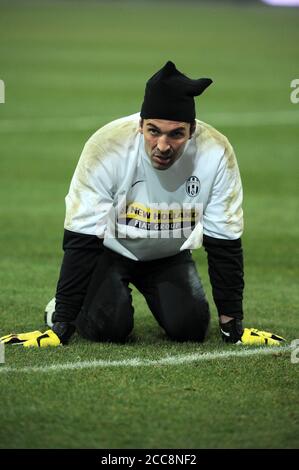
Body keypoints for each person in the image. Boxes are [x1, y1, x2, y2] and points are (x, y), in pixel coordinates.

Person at [1, 61, 285, 348]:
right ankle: (61, 307)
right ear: (140, 124)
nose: (162, 145)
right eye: (153, 131)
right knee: (111, 329)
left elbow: (224, 243)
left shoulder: (216, 153)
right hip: (109, 251)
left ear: (192, 130)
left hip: (169, 255)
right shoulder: (107, 147)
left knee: (190, 329)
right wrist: (62, 323)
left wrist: (232, 326)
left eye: (176, 134)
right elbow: (81, 236)